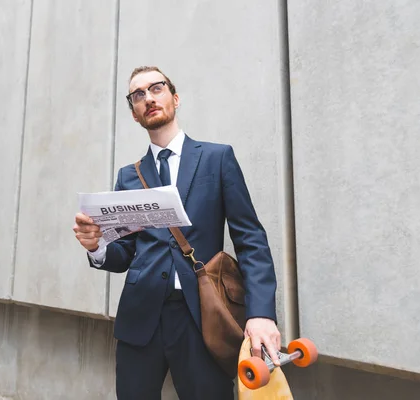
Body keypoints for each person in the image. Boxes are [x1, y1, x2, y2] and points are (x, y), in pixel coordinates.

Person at [73, 66, 279, 399]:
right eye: (138, 95)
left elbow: (251, 240)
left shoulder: (217, 158)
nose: (148, 98)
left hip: (203, 318)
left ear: (175, 97)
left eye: (156, 88)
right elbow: (124, 252)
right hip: (140, 320)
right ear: (135, 115)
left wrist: (260, 314)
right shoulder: (129, 175)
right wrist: (96, 247)